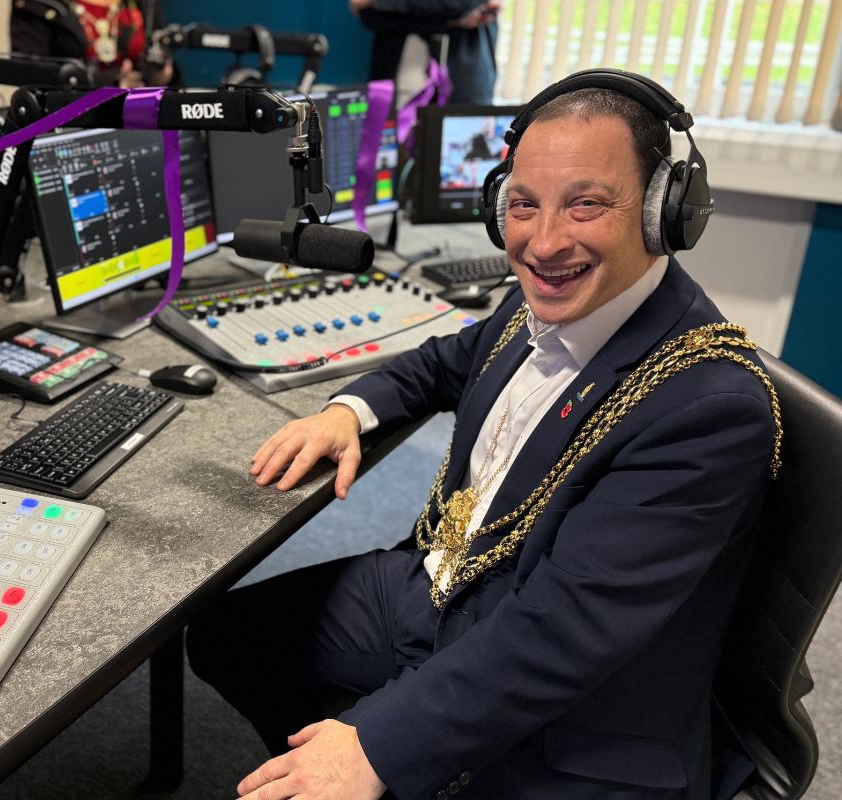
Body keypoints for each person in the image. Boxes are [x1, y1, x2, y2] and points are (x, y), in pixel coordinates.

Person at [187, 73, 781, 800]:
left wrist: (378, 746)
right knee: (225, 634)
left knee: (374, 754)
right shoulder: (536, 300)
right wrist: (347, 411)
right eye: (524, 205)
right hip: (445, 588)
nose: (545, 240)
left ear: (665, 212)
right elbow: (440, 363)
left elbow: (558, 632)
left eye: (587, 204)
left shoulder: (707, 407)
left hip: (572, 710)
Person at [350, 0, 500, 104]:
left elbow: (461, 4)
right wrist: (450, 21)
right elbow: (368, 15)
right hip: (395, 85)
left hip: (460, 86)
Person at [9, 0, 174, 89]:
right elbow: (28, 74)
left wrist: (162, 73)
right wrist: (111, 83)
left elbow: (161, 53)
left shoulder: (143, 4)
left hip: (141, 116)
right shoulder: (37, 4)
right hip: (73, 120)